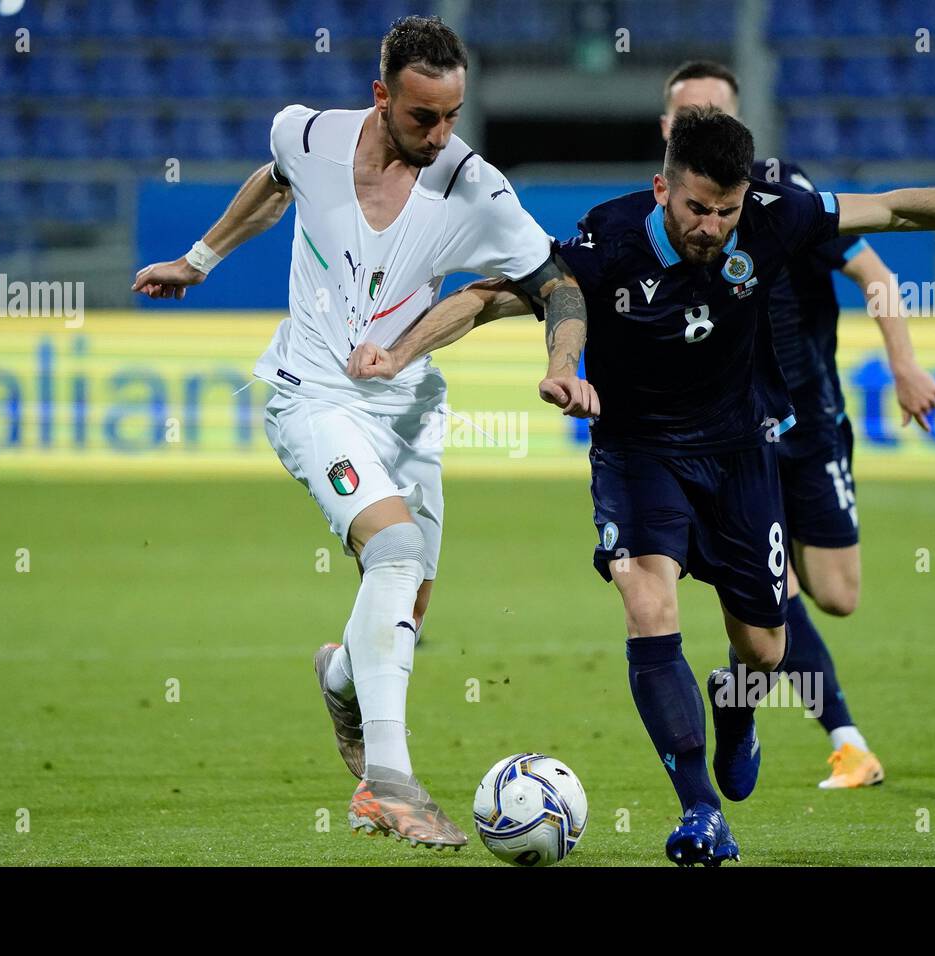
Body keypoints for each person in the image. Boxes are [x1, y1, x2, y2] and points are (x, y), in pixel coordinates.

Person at [348, 105, 935, 864]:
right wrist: (415, 352)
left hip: (744, 455)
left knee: (764, 647)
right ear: (661, 189)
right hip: (638, 455)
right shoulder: (607, 237)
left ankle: (737, 709)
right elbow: (499, 296)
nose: (711, 226)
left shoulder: (775, 216)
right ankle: (700, 813)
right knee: (648, 604)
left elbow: (893, 210)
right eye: (696, 208)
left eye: (726, 210)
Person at [132, 15, 596, 851]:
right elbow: (275, 182)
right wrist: (198, 260)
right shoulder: (306, 133)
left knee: (408, 604)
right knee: (394, 553)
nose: (442, 133)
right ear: (381, 96)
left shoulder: (474, 187)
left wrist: (566, 360)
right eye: (424, 116)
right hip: (311, 392)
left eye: (455, 114)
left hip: (408, 406)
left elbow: (558, 283)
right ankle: (389, 783)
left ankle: (341, 677)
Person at [661, 59, 935, 788]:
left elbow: (877, 274)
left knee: (838, 593)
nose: (698, 125)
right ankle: (845, 738)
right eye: (685, 116)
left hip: (812, 417)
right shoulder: (662, 219)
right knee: (771, 588)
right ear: (666, 130)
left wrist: (905, 364)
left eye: (712, 113)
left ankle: (740, 691)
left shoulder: (787, 199)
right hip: (734, 441)